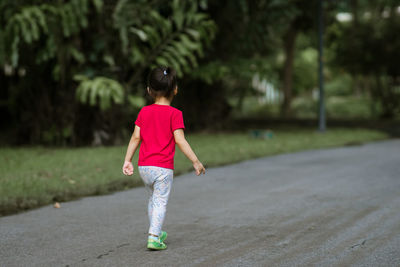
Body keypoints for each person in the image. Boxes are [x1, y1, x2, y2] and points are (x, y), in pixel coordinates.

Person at [122, 66, 206, 250]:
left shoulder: (144, 112)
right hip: (163, 168)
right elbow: (180, 141)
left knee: (153, 199)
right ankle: (153, 237)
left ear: (149, 90)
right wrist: (195, 161)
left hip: (144, 167)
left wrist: (128, 159)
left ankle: (157, 231)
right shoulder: (175, 114)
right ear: (175, 89)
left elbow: (136, 137)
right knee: (160, 201)